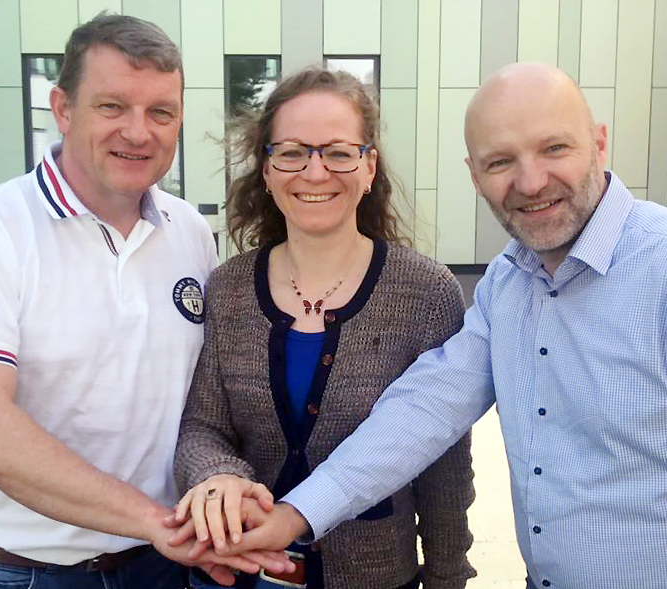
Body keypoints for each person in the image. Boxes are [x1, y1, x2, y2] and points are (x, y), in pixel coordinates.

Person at [201, 62, 667, 588]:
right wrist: (295, 514)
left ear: (598, 142)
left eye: (554, 148)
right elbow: (420, 412)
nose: (531, 180)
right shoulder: (509, 285)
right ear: (474, 176)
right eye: (500, 161)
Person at [0, 13, 289, 589]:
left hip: (164, 561)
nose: (138, 133)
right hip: (26, 572)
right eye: (112, 106)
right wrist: (155, 523)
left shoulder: (190, 232)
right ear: (63, 109)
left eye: (161, 112)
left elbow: (205, 404)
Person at [171, 66, 477, 589]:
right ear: (267, 170)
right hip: (241, 574)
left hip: (377, 578)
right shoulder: (228, 289)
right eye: (292, 152)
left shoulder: (425, 293)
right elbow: (203, 426)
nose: (315, 172)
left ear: (369, 167)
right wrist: (218, 476)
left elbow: (443, 466)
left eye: (338, 152)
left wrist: (447, 579)